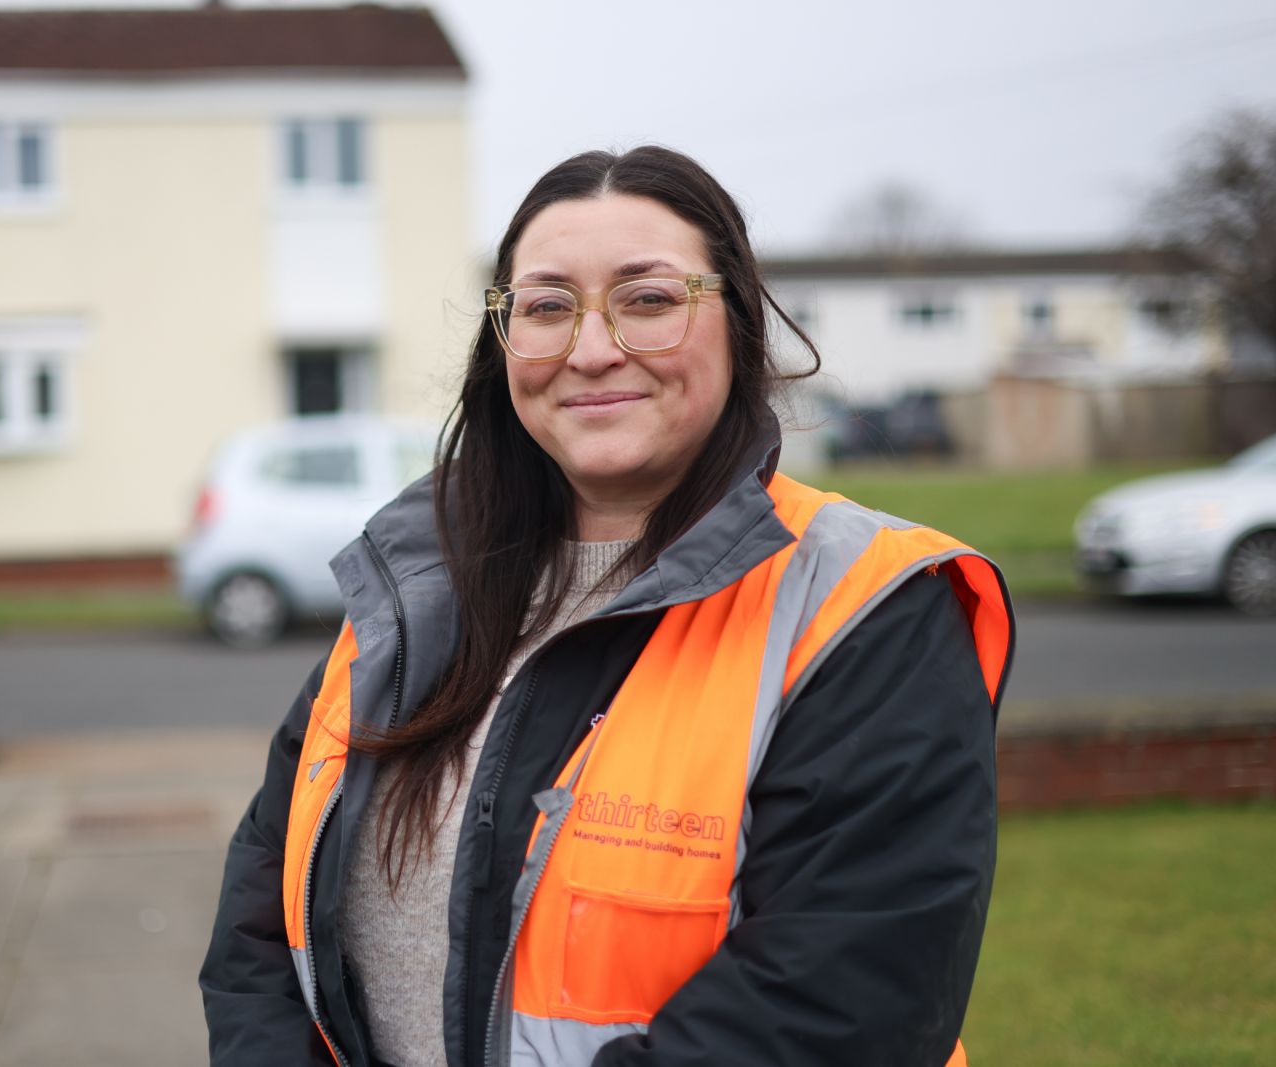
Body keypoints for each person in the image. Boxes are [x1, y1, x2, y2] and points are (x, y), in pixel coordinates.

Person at [199, 145, 1014, 1067]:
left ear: (739, 323)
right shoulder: (411, 585)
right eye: (547, 306)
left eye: (650, 300)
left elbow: (838, 1005)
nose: (592, 349)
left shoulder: (869, 609)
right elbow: (259, 928)